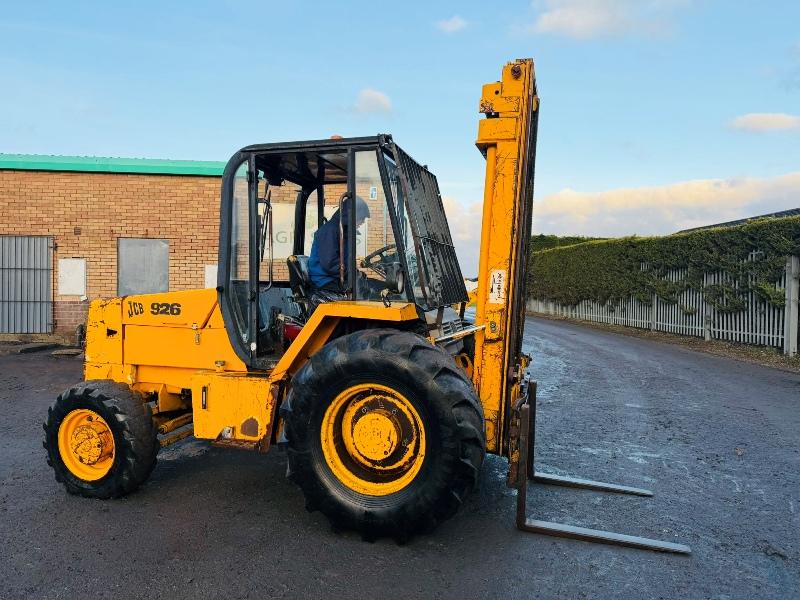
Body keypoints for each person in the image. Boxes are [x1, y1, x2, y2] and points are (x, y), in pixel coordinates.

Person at [307, 196, 370, 309]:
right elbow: (329, 263)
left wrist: (355, 273)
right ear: (352, 215)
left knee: (370, 286)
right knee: (365, 293)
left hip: (334, 278)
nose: (363, 222)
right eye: (362, 218)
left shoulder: (343, 231)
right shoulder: (330, 231)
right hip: (324, 280)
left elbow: (345, 260)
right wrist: (351, 274)